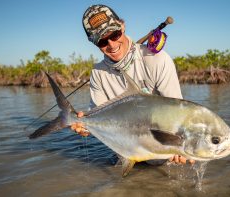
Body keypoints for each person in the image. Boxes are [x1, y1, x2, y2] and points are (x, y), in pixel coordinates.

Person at [72, 4, 194, 165]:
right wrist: (86, 127)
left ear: (122, 26)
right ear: (93, 43)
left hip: (162, 155)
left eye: (115, 34)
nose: (112, 45)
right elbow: (99, 118)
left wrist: (183, 147)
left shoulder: (157, 60)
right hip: (123, 151)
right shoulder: (98, 73)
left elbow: (179, 114)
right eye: (102, 41)